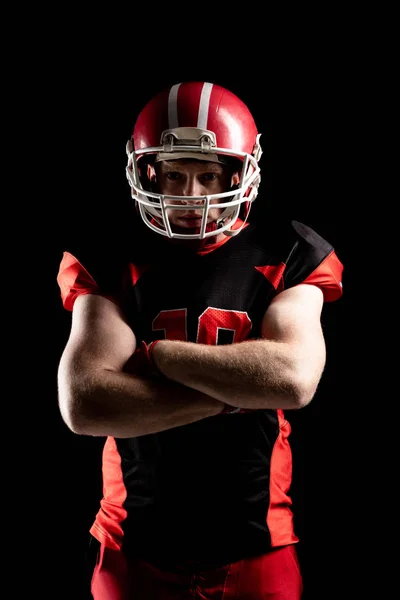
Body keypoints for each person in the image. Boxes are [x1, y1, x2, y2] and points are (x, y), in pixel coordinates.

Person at [56, 81, 344, 599]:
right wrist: (235, 393)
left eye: (209, 175)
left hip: (257, 543)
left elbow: (293, 379)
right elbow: (84, 402)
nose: (191, 197)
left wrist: (159, 357)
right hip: (132, 545)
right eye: (174, 174)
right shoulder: (110, 252)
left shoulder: (289, 249)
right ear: (147, 171)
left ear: (241, 173)